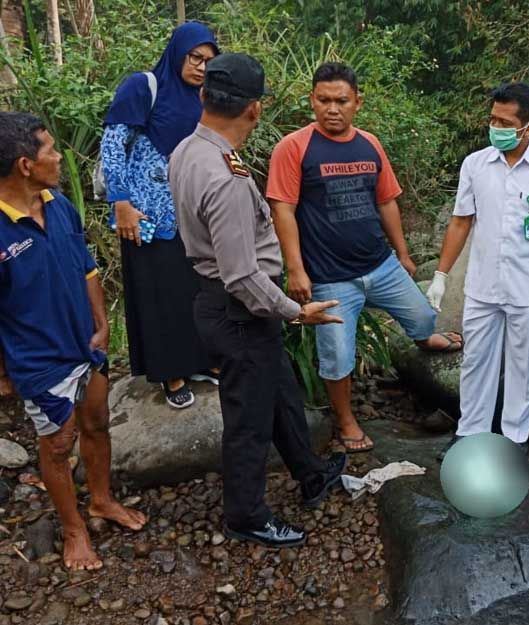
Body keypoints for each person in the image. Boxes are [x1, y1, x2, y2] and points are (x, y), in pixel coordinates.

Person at [170, 53, 346, 547]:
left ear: (205, 96)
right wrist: (296, 312)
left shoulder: (188, 149)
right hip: (240, 312)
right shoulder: (224, 177)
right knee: (248, 419)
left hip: (231, 309)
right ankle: (245, 515)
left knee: (281, 391)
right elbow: (241, 276)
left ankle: (311, 473)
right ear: (255, 109)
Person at [267, 62, 463, 454]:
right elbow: (282, 209)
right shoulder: (294, 148)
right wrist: (296, 269)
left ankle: (425, 339)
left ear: (357, 102)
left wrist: (403, 255)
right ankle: (345, 420)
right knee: (337, 355)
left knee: (424, 318)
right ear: (312, 101)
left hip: (380, 264)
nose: (332, 108)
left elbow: (387, 201)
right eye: (323, 100)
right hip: (330, 277)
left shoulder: (370, 144)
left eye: (341, 100)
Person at [0, 112, 147, 570]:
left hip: (88, 345)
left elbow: (86, 267)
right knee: (58, 445)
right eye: (49, 149)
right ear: (25, 164)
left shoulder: (59, 204)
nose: (59, 156)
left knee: (97, 422)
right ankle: (73, 529)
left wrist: (101, 322)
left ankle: (101, 500)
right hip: (40, 360)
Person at [428, 82, 529, 457]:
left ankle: (513, 442)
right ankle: (470, 435)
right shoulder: (476, 165)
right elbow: (461, 221)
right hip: (482, 285)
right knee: (476, 360)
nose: (496, 127)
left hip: (527, 288)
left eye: (505, 122)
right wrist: (441, 276)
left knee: (522, 368)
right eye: (493, 118)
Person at [100, 22, 219, 408]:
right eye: (195, 57)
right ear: (177, 53)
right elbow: (114, 143)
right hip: (146, 215)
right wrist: (121, 201)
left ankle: (200, 359)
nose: (201, 67)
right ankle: (170, 373)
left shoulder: (204, 98)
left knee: (194, 289)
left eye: (208, 61)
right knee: (158, 293)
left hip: (191, 214)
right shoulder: (143, 86)